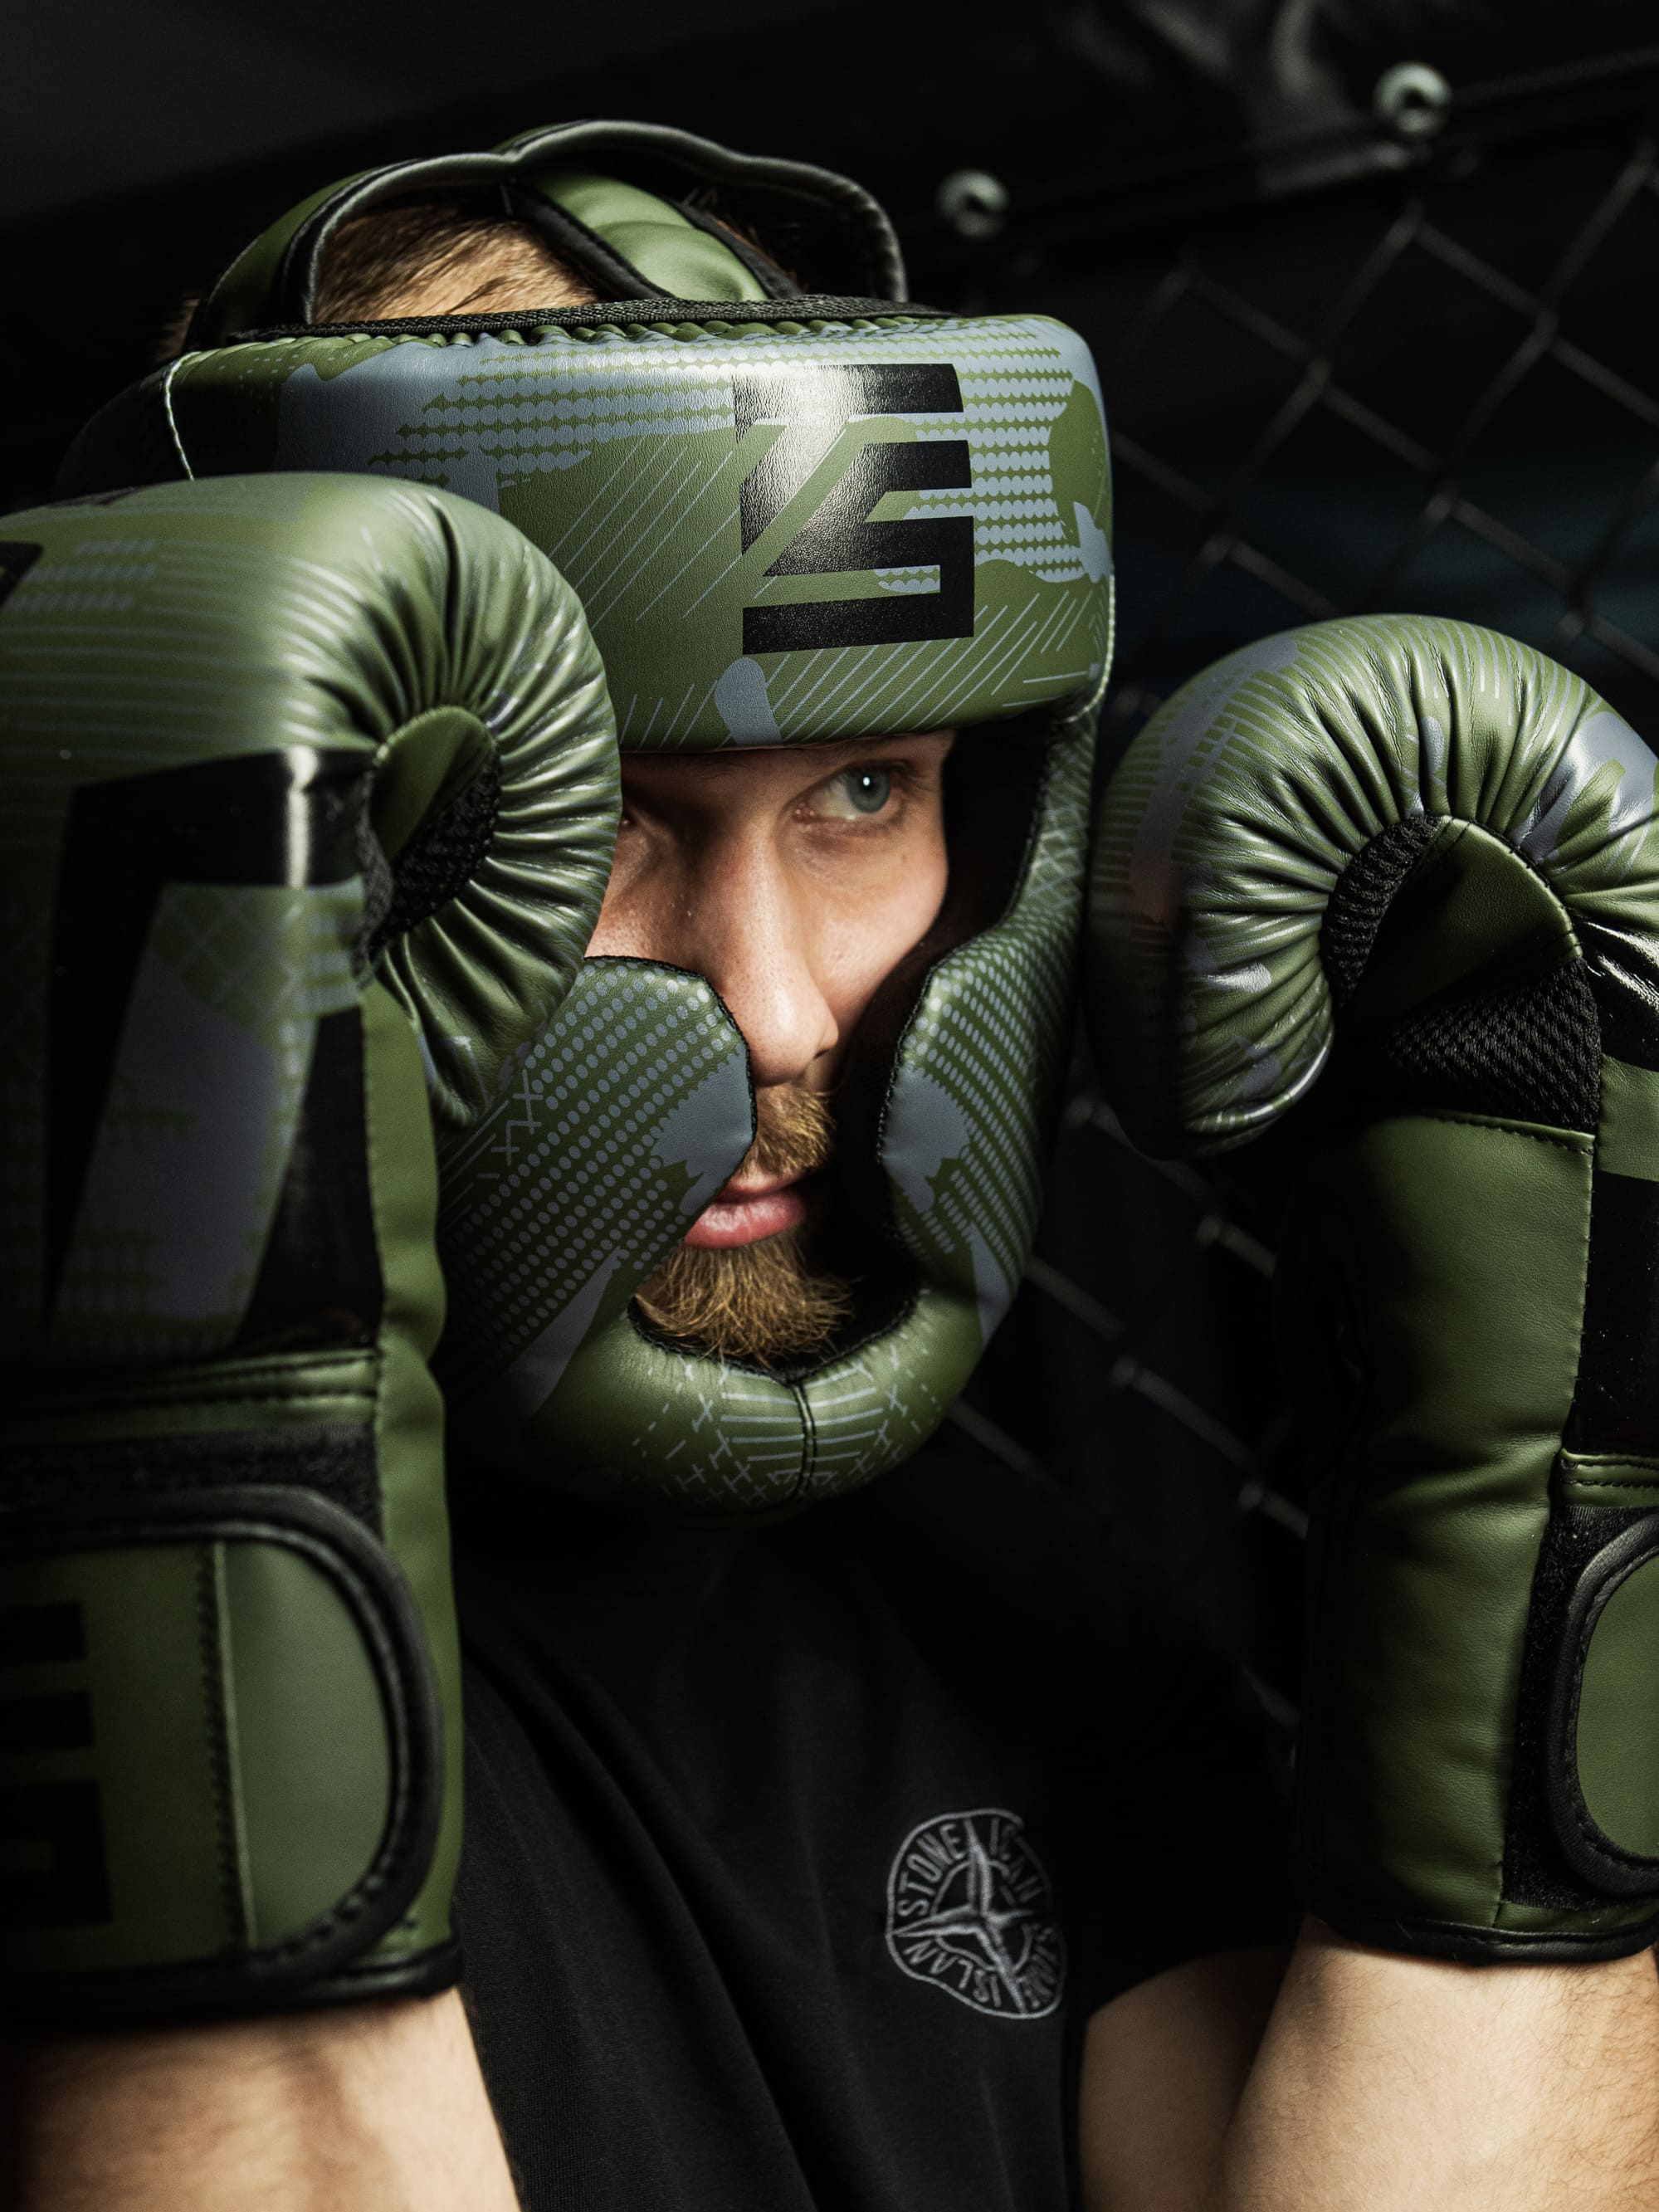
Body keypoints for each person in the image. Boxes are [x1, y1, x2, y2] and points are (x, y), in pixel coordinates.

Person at [6, 125, 1659, 2212]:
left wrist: (1562, 1552)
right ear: (281, 842)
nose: (780, 1013)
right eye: (597, 818)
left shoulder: (1021, 1618)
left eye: (867, 791)